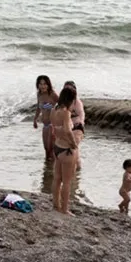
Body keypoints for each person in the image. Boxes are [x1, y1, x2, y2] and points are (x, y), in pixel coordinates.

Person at [51, 86, 78, 215]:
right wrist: (74, 144)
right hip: (66, 149)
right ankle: (65, 209)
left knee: (57, 178)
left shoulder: (54, 110)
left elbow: (55, 129)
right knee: (67, 181)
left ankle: (56, 204)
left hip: (57, 146)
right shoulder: (65, 112)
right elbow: (67, 130)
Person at [33, 75, 58, 160]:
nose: (43, 86)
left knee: (51, 149)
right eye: (40, 84)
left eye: (45, 84)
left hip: (52, 125)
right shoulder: (39, 94)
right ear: (37, 85)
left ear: (48, 84)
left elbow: (62, 105)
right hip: (45, 125)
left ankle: (54, 169)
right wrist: (35, 119)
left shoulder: (52, 94)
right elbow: (38, 108)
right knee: (46, 149)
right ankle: (47, 170)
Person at [63, 81, 85, 168]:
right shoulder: (63, 101)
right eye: (66, 89)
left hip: (77, 127)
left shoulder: (77, 102)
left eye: (70, 89)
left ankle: (77, 166)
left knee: (74, 147)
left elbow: (81, 114)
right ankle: (74, 167)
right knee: (69, 148)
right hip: (68, 127)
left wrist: (80, 123)